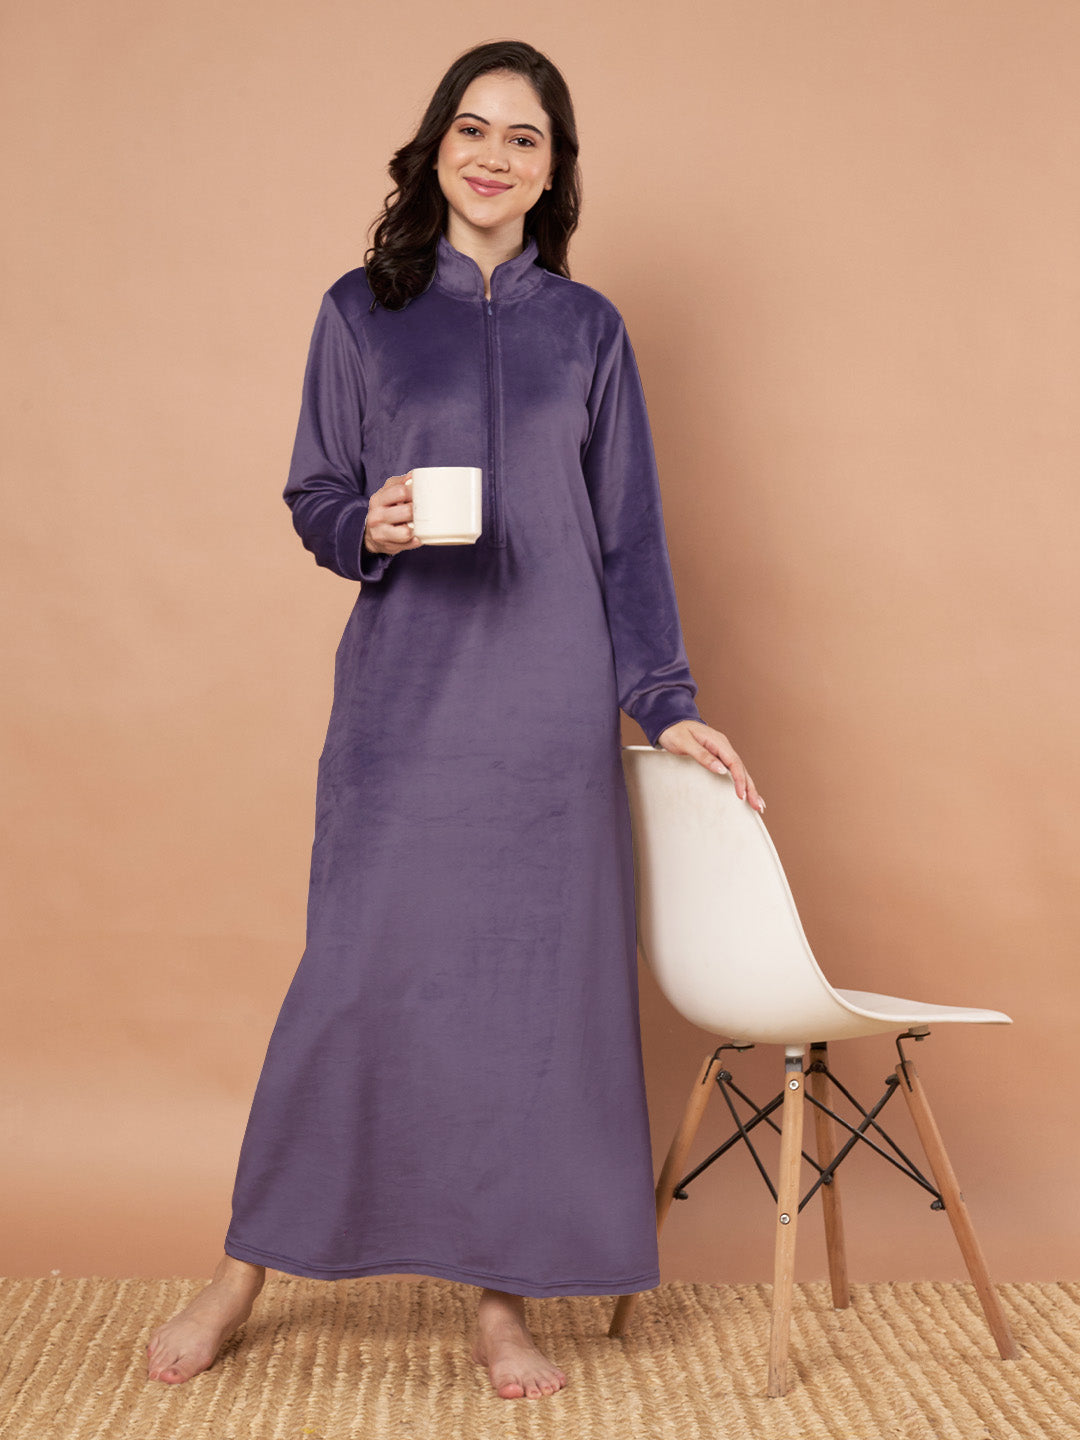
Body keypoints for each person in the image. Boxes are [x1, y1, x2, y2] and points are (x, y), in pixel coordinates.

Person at [146, 39, 764, 1402]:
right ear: (436, 148)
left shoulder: (588, 330)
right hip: (404, 709)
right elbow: (314, 489)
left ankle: (500, 1305)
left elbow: (629, 537)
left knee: (527, 1003)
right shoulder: (360, 312)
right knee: (351, 983)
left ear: (553, 172)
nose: (493, 155)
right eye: (473, 129)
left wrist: (665, 705)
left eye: (523, 138)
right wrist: (358, 525)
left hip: (548, 720)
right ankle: (243, 1270)